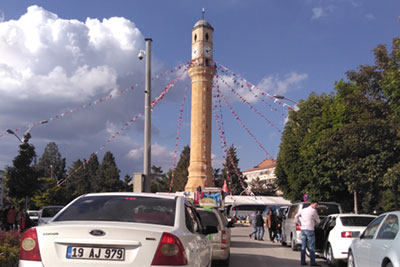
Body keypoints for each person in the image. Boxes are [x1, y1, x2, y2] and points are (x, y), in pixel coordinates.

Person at [295, 201, 321, 266]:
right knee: (311, 246)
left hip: (303, 229)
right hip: (310, 229)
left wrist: (299, 222)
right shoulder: (313, 211)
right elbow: (318, 220)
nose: (316, 206)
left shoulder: (303, 210)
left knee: (303, 246)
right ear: (311, 204)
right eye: (316, 205)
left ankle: (303, 261)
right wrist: (316, 222)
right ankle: (312, 262)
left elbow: (296, 216)